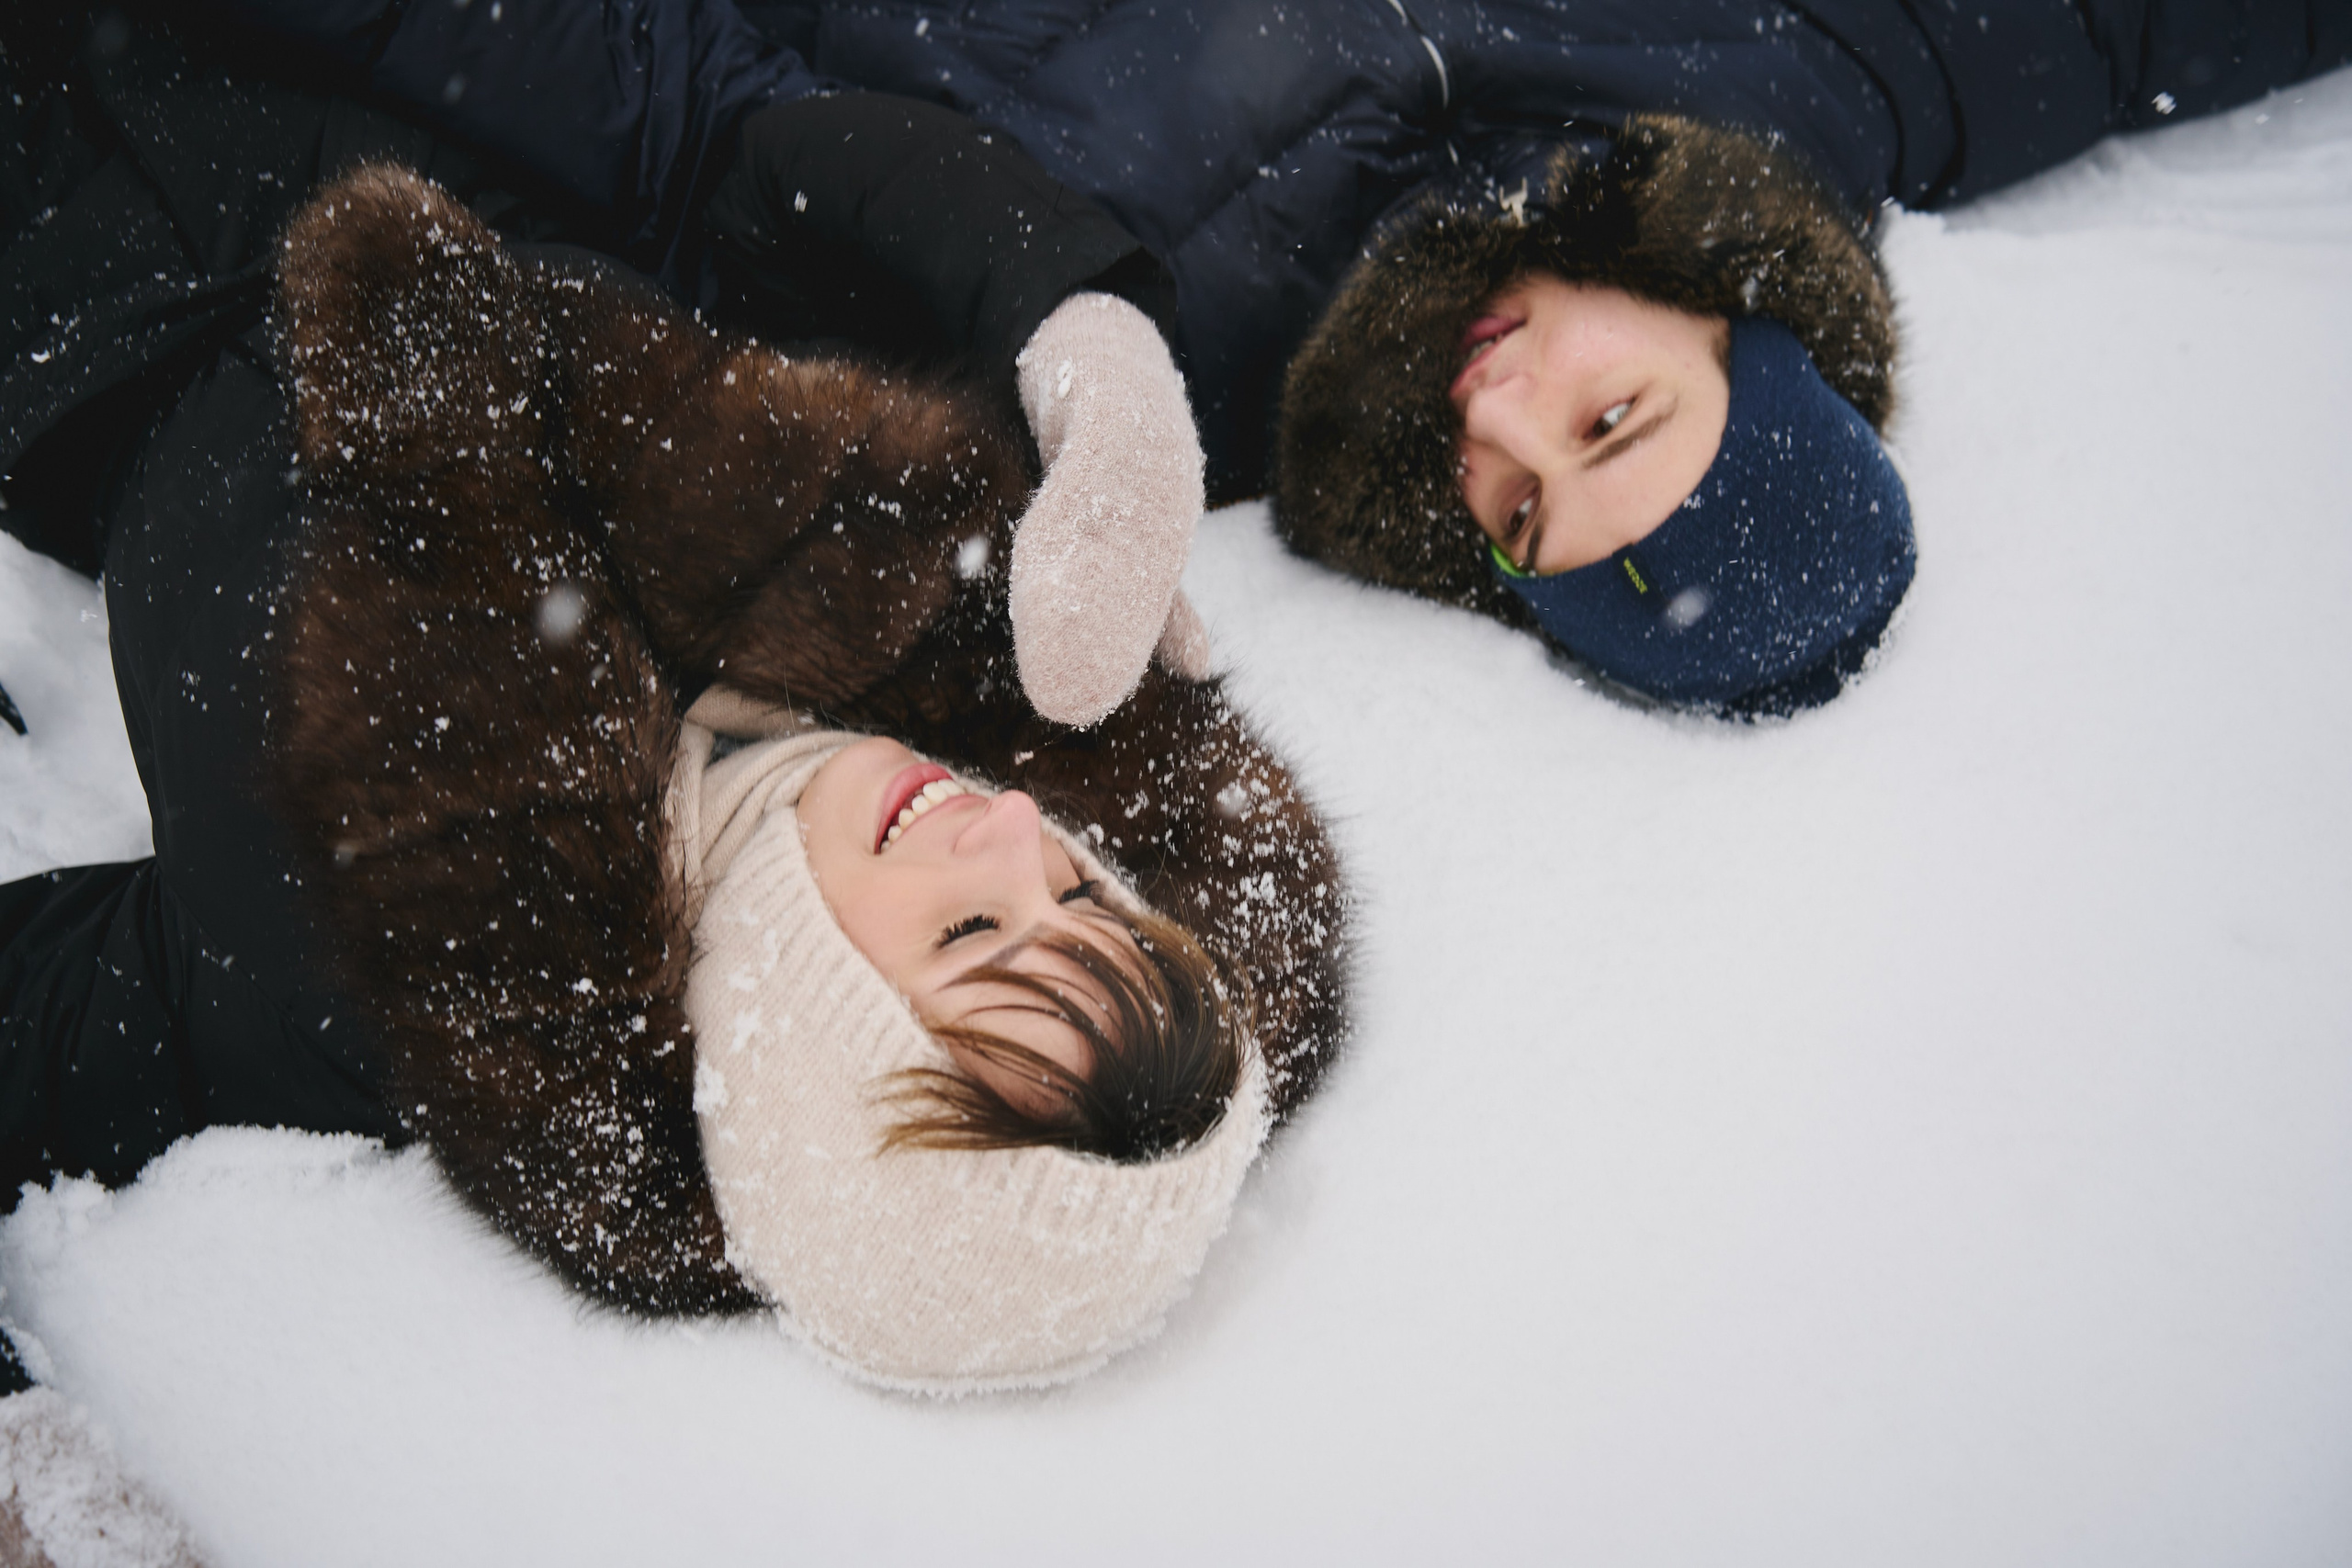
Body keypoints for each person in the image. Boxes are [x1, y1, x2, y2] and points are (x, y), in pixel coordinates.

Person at [0, 10, 1349, 1398]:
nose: (1011, 830)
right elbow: (736, 160)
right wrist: (1075, 320)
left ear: (807, 1064)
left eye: (968, 932)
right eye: (1080, 891)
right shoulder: (892, 587)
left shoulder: (360, 975)